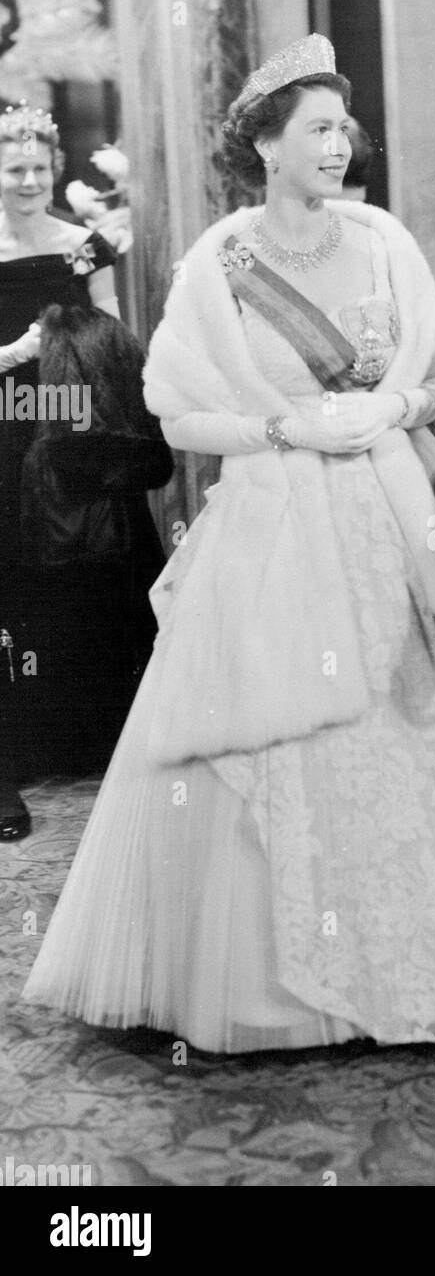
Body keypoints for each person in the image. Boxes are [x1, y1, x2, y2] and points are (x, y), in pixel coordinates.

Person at [22, 35, 435, 1053]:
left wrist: (397, 401)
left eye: (343, 129)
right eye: (317, 128)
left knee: (421, 731)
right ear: (265, 145)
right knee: (273, 734)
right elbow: (176, 417)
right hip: (273, 522)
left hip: (397, 518)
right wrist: (278, 428)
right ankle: (281, 984)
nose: (338, 145)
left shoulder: (385, 241)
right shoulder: (217, 267)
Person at [0, 103, 171, 842]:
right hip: (7, 426)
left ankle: (117, 745)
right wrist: (20, 352)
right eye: (15, 168)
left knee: (102, 574)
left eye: (41, 166)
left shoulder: (82, 246)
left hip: (75, 430)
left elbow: (116, 338)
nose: (31, 179)